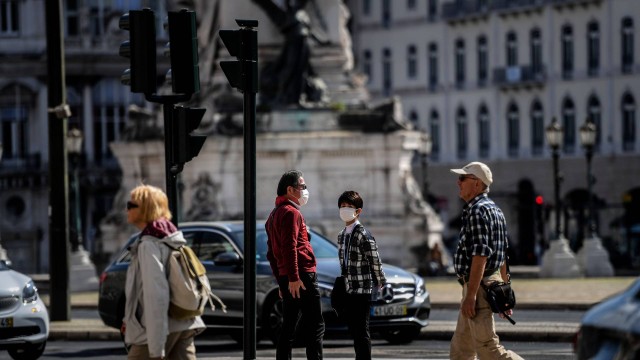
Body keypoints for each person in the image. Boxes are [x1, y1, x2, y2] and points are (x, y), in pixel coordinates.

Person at [449, 162, 523, 360]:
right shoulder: (495, 210)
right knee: (461, 352)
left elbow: (480, 255)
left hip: (479, 288)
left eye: (463, 178)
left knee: (489, 351)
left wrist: (471, 295)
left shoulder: (477, 211)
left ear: (476, 183)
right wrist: (505, 288)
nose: (458, 182)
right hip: (487, 283)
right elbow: (503, 254)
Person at [122, 184, 205, 360]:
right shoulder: (172, 237)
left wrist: (156, 349)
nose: (126, 209)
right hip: (184, 323)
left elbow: (155, 297)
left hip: (155, 332)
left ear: (146, 209)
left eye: (131, 205)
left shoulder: (149, 244)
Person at [265, 170, 325, 360]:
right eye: (302, 186)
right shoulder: (291, 213)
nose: (305, 190)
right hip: (301, 275)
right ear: (290, 190)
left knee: (289, 326)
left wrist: (282, 280)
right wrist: (293, 278)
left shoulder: (273, 215)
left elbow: (272, 254)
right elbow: (289, 247)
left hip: (289, 277)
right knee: (315, 324)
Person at [336, 190, 386, 360]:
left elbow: (375, 260)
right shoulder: (342, 235)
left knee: (362, 331)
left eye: (349, 207)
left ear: (358, 211)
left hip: (362, 289)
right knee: (355, 330)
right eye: (342, 206)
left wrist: (381, 280)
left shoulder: (363, 234)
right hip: (349, 289)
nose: (344, 209)